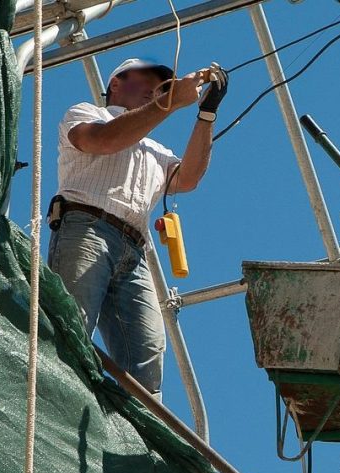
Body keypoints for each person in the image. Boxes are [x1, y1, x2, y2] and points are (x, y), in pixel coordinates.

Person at [47, 58, 228, 397]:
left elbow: (188, 178)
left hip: (133, 250)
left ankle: (138, 440)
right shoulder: (87, 113)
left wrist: (207, 113)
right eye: (148, 80)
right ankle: (57, 404)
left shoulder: (155, 149)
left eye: (161, 86)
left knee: (147, 359)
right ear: (116, 82)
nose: (155, 90)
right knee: (71, 327)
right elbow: (103, 141)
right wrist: (171, 101)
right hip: (87, 229)